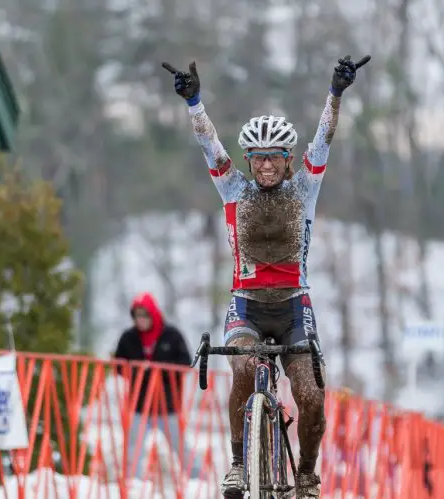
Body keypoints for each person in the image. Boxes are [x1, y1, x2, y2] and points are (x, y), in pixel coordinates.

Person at [162, 53, 371, 498]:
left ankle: (307, 476)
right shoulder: (233, 188)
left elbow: (325, 138)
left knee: (311, 395)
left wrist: (335, 93)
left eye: (275, 157)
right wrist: (194, 102)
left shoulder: (305, 188)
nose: (266, 166)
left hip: (295, 306)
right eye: (258, 158)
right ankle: (239, 464)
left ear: (288, 158)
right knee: (243, 369)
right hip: (247, 308)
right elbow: (208, 145)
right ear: (249, 159)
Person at [111, 292, 193, 479]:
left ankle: (198, 481)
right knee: (133, 449)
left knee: (181, 449)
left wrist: (158, 371)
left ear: (153, 314)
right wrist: (138, 371)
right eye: (137, 315)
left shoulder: (172, 335)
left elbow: (185, 363)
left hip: (168, 405)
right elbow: (118, 365)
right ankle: (133, 484)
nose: (141, 320)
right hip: (139, 404)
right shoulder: (128, 337)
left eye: (145, 315)